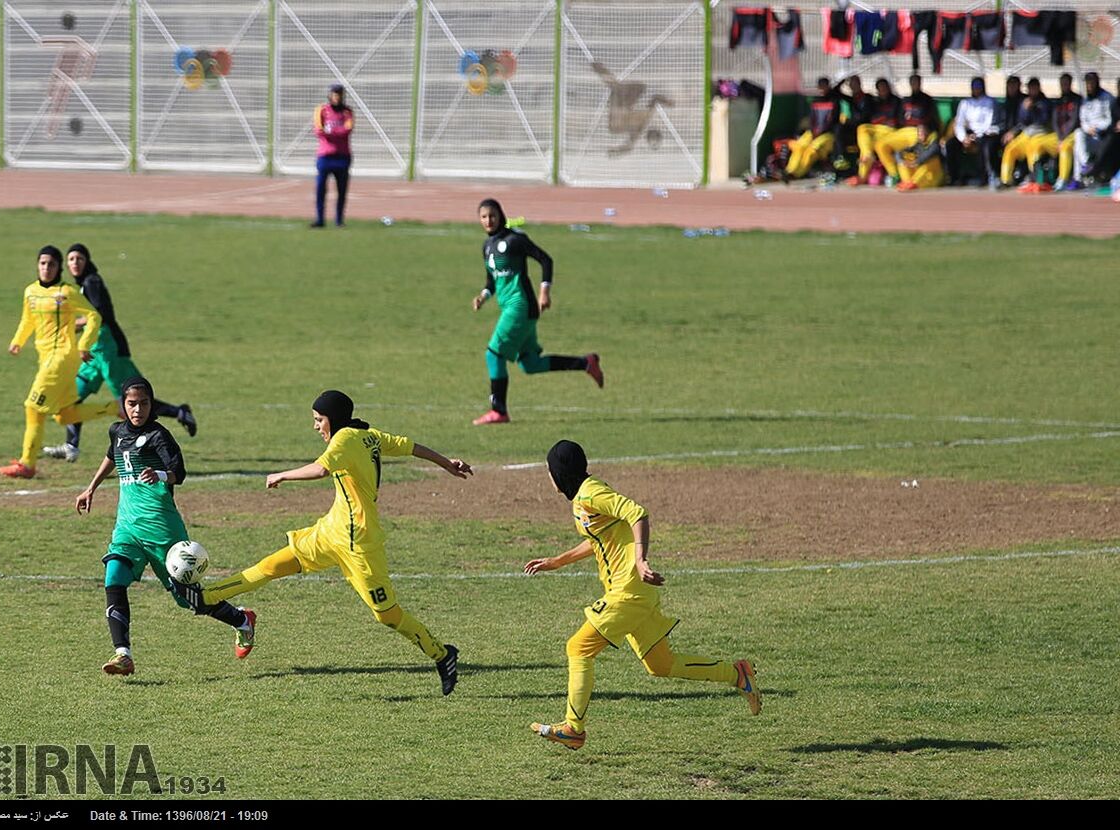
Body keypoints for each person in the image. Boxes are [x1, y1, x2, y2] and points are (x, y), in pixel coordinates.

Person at [174, 390, 469, 695]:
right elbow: (410, 446)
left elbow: (321, 469)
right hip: (331, 532)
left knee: (387, 614)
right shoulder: (368, 435)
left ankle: (443, 654)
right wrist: (446, 463)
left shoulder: (346, 439)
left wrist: (281, 475)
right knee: (272, 566)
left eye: (319, 420)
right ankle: (206, 597)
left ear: (334, 419)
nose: (316, 427)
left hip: (359, 544)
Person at [525, 441, 762, 751]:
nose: (548, 476)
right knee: (661, 665)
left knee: (578, 647)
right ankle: (737, 674)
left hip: (629, 592)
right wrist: (557, 561)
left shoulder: (592, 493)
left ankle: (573, 728)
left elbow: (637, 513)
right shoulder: (585, 497)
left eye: (548, 470)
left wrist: (640, 559)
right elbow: (599, 538)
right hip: (635, 594)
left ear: (559, 472)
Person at [75, 377, 250, 676]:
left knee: (188, 600)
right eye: (132, 404)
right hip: (127, 528)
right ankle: (123, 655)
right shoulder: (117, 431)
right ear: (123, 405)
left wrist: (158, 474)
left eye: (144, 403)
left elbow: (179, 472)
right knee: (113, 578)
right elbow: (111, 457)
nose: (138, 409)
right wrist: (91, 488)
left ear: (151, 404)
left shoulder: (159, 435)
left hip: (163, 530)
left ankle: (242, 620)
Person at [43, 243, 197, 463]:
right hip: (94, 352)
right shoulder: (83, 285)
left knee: (130, 401)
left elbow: (100, 316)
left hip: (109, 349)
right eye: (71, 259)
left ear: (87, 261)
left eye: (79, 259)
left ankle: (172, 422)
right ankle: (71, 446)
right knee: (70, 395)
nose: (75, 263)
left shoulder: (92, 282)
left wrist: (70, 324)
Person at [471, 199, 603, 426]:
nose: (488, 221)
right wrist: (483, 296)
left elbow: (546, 260)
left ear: (500, 215)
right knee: (530, 364)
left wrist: (545, 292)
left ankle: (498, 411)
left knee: (493, 355)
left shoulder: (515, 240)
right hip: (517, 308)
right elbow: (492, 281)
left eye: (492, 215)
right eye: (484, 217)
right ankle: (586, 363)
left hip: (520, 306)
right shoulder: (487, 246)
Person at [1, 246, 117, 479]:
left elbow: (94, 315)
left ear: (58, 268)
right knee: (65, 414)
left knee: (33, 408)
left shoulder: (66, 292)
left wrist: (84, 344)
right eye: (42, 263)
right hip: (46, 359)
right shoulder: (30, 292)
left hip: (62, 358)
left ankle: (27, 464)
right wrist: (18, 341)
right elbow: (27, 319)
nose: (46, 268)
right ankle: (116, 409)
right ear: (37, 265)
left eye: (51, 264)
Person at [874, 74, 939, 187]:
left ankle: (912, 182)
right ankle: (894, 175)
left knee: (912, 155)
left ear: (920, 83)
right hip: (903, 131)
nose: (915, 85)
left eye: (917, 82)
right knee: (880, 145)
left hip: (917, 131)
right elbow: (900, 118)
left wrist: (923, 128)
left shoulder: (927, 100)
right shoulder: (905, 100)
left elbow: (932, 119)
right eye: (912, 82)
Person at [1000, 77, 1056, 192]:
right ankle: (1006, 180)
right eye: (1030, 88)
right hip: (1026, 133)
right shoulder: (1024, 102)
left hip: (1040, 133)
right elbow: (1022, 121)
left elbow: (1044, 120)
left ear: (1039, 88)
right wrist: (1025, 110)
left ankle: (1034, 179)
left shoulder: (1044, 102)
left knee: (1033, 149)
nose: (1032, 90)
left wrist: (1034, 109)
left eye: (1034, 88)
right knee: (1010, 149)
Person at [312, 84, 354, 228]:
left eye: (340, 94)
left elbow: (347, 131)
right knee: (320, 189)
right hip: (325, 156)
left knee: (342, 190)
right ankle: (320, 219)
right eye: (335, 94)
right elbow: (319, 131)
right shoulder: (321, 110)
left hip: (342, 157)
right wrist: (335, 132)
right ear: (330, 95)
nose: (337, 97)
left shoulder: (348, 112)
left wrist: (331, 132)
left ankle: (339, 220)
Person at [784, 77, 841, 179]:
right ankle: (789, 171)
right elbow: (812, 119)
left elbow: (832, 121)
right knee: (799, 146)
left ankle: (797, 174)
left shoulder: (834, 101)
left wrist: (819, 132)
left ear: (828, 87)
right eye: (820, 87)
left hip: (827, 135)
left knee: (811, 151)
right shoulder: (815, 102)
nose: (822, 89)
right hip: (813, 132)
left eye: (824, 86)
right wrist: (813, 131)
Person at [848, 77, 901, 186]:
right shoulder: (875, 101)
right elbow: (872, 118)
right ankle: (862, 174)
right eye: (880, 88)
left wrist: (882, 120)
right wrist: (882, 120)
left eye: (884, 88)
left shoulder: (896, 101)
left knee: (879, 145)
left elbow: (893, 119)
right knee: (862, 129)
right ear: (877, 90)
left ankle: (894, 174)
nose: (883, 90)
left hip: (891, 132)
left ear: (889, 88)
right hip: (877, 130)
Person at [951, 77, 1002, 187]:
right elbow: (959, 123)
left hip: (984, 134)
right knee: (950, 144)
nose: (976, 90)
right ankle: (954, 177)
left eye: (979, 87)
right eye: (974, 87)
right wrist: (963, 138)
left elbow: (988, 123)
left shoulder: (989, 102)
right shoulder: (965, 103)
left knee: (985, 145)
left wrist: (976, 136)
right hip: (968, 134)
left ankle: (984, 177)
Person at [1073, 72, 1115, 188]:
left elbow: (1109, 119)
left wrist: (1097, 127)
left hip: (1101, 137)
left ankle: (1079, 176)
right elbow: (1083, 120)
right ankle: (1086, 164)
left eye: (1091, 83)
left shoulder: (1107, 98)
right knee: (1078, 135)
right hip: (1089, 135)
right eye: (1087, 83)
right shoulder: (1085, 100)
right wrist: (1088, 129)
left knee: (1076, 148)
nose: (1089, 86)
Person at [1052, 73, 1082, 191]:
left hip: (1072, 135)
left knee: (1064, 147)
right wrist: (1059, 137)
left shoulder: (1076, 100)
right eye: (1062, 84)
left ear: (1070, 84)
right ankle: (1035, 177)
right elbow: (1054, 120)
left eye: (1066, 83)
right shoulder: (1058, 101)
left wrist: (1063, 138)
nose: (1064, 86)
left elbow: (1074, 120)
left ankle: (1063, 179)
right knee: (1038, 145)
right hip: (1059, 136)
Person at [896, 123, 945, 191]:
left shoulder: (935, 144)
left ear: (927, 133)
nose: (920, 136)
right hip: (920, 177)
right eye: (919, 134)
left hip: (933, 177)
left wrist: (916, 162)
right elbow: (905, 150)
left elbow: (928, 154)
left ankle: (913, 183)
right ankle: (907, 182)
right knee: (906, 158)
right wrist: (901, 159)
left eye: (922, 133)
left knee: (931, 162)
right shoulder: (919, 143)